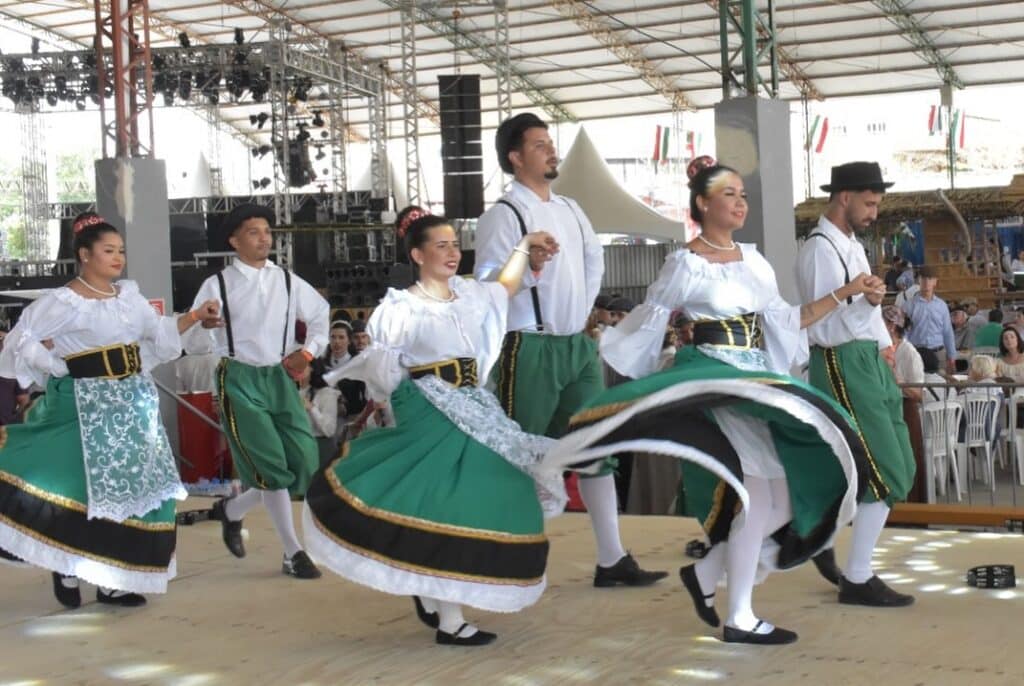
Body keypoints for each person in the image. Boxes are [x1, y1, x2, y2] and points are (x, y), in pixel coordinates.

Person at [544, 158, 873, 645]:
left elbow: (785, 321)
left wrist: (848, 293)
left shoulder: (755, 262)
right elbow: (649, 322)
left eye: (743, 195)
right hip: (718, 383)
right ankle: (738, 615)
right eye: (729, 194)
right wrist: (653, 370)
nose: (740, 203)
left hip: (756, 381)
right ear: (703, 202)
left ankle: (706, 578)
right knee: (757, 498)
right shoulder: (685, 263)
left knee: (781, 496)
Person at [303, 212, 566, 647]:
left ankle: (432, 592)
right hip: (429, 407)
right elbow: (385, 370)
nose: (451, 252)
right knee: (446, 500)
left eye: (454, 244)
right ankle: (449, 618)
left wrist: (524, 247)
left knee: (483, 487)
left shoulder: (469, 294)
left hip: (475, 403)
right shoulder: (400, 308)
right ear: (417, 254)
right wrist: (406, 404)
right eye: (440, 245)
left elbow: (506, 286)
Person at [475, 112, 665, 588]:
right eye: (539, 146)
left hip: (576, 345)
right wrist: (529, 265)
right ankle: (502, 553)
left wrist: (581, 312)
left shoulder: (572, 209)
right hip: (529, 344)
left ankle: (612, 558)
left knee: (595, 443)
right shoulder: (503, 214)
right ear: (515, 158)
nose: (551, 151)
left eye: (549, 143)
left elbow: (593, 261)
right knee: (521, 450)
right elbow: (488, 287)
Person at [0, 211, 221, 608]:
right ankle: (66, 563)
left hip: (132, 402)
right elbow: (21, 340)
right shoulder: (63, 301)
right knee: (78, 485)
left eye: (120, 250)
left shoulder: (129, 299)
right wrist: (55, 365)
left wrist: (193, 318)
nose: (118, 257)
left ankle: (113, 577)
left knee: (133, 487)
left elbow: (159, 335)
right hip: (82, 403)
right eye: (108, 250)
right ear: (85, 255)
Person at [185, 203, 329, 580]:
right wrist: (206, 324)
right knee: (269, 466)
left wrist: (308, 352)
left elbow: (320, 316)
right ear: (234, 241)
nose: (264, 237)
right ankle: (292, 553)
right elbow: (195, 342)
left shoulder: (286, 279)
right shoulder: (217, 284)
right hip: (238, 376)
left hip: (279, 375)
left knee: (303, 461)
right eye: (254, 231)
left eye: (267, 231)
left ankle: (231, 511)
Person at [795, 161, 916, 608]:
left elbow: (864, 310)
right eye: (869, 202)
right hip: (840, 360)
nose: (874, 211)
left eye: (877, 203)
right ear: (844, 197)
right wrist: (862, 302)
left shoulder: (851, 246)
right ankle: (858, 576)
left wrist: (884, 343)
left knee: (896, 460)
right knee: (883, 467)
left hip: (866, 358)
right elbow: (822, 325)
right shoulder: (817, 250)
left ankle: (816, 532)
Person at [884, 306, 928, 503]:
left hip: (906, 408)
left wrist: (898, 380)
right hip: (887, 408)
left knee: (908, 455)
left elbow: (919, 393)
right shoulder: (881, 349)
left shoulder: (909, 352)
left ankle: (913, 504)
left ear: (892, 326)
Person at [901, 265, 956, 374]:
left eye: (930, 279)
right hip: (917, 353)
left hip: (938, 353)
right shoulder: (908, 306)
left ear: (935, 282)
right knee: (917, 384)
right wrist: (905, 354)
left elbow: (947, 332)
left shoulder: (941, 306)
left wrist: (952, 357)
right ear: (918, 280)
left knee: (941, 384)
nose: (926, 282)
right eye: (923, 278)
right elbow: (904, 333)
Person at [297, 361, 341, 467]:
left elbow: (329, 430)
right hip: (297, 446)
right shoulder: (292, 389)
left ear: (312, 368)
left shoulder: (326, 393)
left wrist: (312, 408)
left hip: (319, 448)